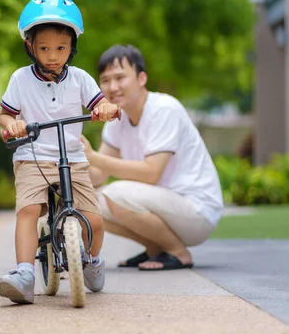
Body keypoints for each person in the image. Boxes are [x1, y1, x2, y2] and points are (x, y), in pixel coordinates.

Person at [0, 0, 120, 304]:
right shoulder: (21, 79)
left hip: (73, 159)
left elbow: (99, 102)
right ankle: (24, 273)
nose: (53, 56)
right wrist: (11, 123)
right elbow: (5, 114)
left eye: (61, 48)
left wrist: (106, 108)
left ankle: (91, 260)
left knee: (95, 220)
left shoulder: (79, 79)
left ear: (72, 47)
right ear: (30, 47)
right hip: (33, 156)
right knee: (28, 210)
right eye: (45, 48)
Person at [80, 44, 224, 271]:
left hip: (196, 210)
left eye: (120, 77)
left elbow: (150, 173)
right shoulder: (119, 118)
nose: (113, 87)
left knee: (116, 193)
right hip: (163, 205)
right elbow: (98, 176)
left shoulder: (164, 109)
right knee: (87, 203)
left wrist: (93, 157)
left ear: (142, 78)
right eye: (105, 80)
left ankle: (179, 252)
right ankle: (156, 250)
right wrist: (76, 157)